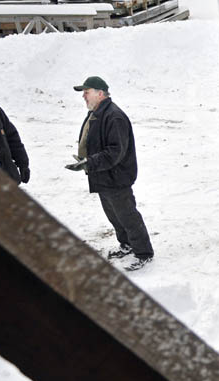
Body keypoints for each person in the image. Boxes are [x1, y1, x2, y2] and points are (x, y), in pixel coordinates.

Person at [65, 76, 154, 271]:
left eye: (86, 92)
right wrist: (86, 159)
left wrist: (90, 162)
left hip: (117, 177)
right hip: (103, 176)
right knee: (114, 216)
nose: (83, 97)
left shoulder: (114, 116)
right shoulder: (96, 113)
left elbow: (116, 151)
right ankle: (127, 244)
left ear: (100, 93)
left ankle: (144, 252)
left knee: (128, 216)